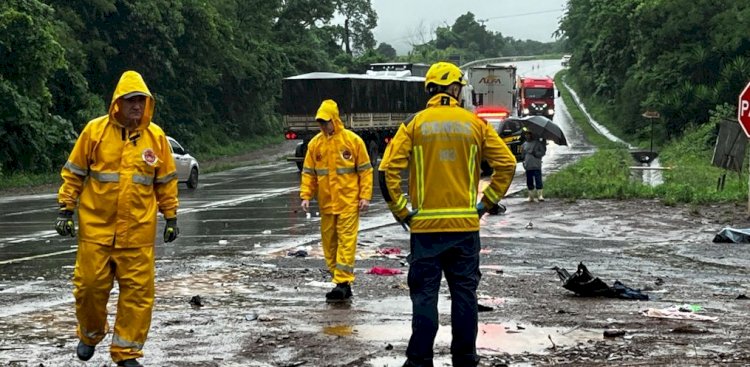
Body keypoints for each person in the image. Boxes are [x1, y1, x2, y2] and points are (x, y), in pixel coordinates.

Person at [378, 62, 517, 367]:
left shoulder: (414, 124)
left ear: (429, 90)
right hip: (465, 228)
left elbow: (387, 171)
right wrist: (487, 203)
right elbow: (506, 164)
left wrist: (402, 212)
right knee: (465, 295)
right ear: (455, 89)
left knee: (425, 296)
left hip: (425, 230)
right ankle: (465, 358)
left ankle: (419, 360)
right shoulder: (473, 123)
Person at [55, 70, 179, 367]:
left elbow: (166, 181)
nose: (136, 106)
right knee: (88, 289)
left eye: (141, 100)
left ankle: (126, 353)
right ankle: (90, 333)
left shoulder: (156, 138)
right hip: (96, 232)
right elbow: (74, 172)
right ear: (117, 103)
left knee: (138, 296)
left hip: (137, 234)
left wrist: (171, 216)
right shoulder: (94, 132)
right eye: (130, 100)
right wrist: (65, 209)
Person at [300, 99, 373, 302]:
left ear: (334, 119)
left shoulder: (352, 141)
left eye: (326, 121)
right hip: (327, 204)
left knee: (346, 242)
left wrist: (365, 196)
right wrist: (306, 195)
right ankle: (340, 281)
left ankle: (342, 282)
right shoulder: (315, 144)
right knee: (329, 243)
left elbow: (365, 171)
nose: (323, 126)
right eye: (320, 122)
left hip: (348, 202)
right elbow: (309, 173)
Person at [521, 127, 547, 202]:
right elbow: (523, 155)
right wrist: (524, 162)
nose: (527, 136)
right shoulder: (524, 145)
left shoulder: (537, 143)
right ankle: (531, 196)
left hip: (536, 165)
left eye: (528, 134)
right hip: (528, 166)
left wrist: (535, 153)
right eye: (526, 134)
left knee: (538, 180)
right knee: (529, 181)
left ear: (531, 135)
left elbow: (542, 153)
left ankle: (540, 195)